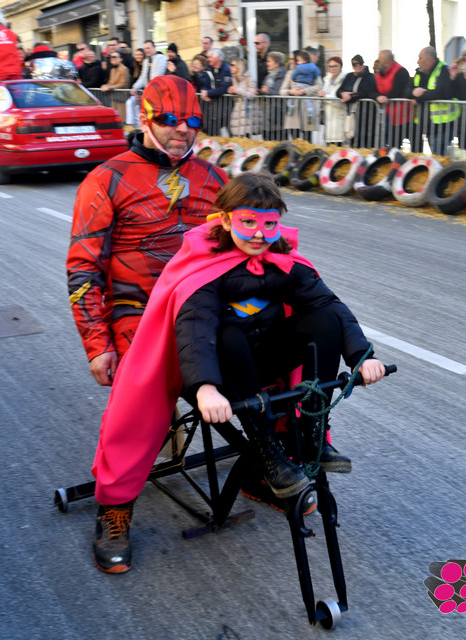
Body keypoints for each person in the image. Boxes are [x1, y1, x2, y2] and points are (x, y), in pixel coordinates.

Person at [88, 171, 386, 573]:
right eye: (248, 221)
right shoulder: (205, 265)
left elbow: (328, 304)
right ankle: (118, 506)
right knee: (220, 338)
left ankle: (311, 435)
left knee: (324, 319)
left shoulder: (283, 259)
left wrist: (361, 356)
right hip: (214, 368)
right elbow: (196, 328)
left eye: (269, 223)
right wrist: (205, 388)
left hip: (266, 361)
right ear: (226, 220)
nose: (260, 234)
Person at [69, 75, 229, 573]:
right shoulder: (106, 179)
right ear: (145, 118)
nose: (183, 129)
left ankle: (276, 460)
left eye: (193, 120)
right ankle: (115, 506)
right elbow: (83, 268)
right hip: (136, 313)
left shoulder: (216, 179)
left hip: (205, 308)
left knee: (285, 343)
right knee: (142, 393)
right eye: (171, 119)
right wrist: (97, 342)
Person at [409, 47, 458, 155]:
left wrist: (418, 96)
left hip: (441, 125)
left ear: (430, 60)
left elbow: (439, 93)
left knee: (439, 157)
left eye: (420, 58)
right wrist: (414, 92)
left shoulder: (443, 70)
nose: (418, 61)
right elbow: (407, 90)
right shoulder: (419, 72)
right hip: (424, 123)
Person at [374, 49, 412, 147]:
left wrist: (384, 97)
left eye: (379, 61)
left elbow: (397, 91)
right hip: (388, 116)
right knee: (392, 146)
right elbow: (371, 90)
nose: (378, 63)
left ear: (386, 62)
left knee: (413, 146)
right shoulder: (379, 73)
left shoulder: (401, 72)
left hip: (404, 117)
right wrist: (377, 97)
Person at [338, 55, 377, 148]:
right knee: (351, 136)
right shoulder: (349, 76)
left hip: (365, 114)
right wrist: (343, 94)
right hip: (351, 112)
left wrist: (350, 97)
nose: (357, 66)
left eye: (359, 63)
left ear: (363, 64)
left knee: (364, 140)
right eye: (354, 64)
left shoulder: (369, 77)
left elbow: (365, 92)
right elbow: (339, 90)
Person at [281, 50, 320, 142]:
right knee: (295, 140)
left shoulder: (312, 70)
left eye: (292, 59)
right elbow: (282, 91)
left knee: (307, 140)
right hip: (293, 110)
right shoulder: (290, 73)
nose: (290, 61)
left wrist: (304, 90)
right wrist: (291, 91)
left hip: (307, 109)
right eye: (290, 59)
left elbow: (319, 86)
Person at [201, 48, 233, 136]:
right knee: (213, 132)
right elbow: (205, 82)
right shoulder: (209, 69)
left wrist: (208, 93)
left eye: (210, 57)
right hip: (213, 107)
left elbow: (225, 88)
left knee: (230, 132)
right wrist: (204, 91)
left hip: (226, 108)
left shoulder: (227, 69)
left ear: (217, 57)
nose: (208, 59)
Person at [227, 58, 260, 137]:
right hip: (239, 112)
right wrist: (233, 92)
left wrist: (237, 90)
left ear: (239, 67)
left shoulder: (249, 79)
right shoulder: (235, 79)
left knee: (245, 136)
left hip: (248, 113)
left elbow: (251, 95)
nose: (230, 67)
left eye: (233, 65)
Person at [320, 56, 347, 146]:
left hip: (339, 118)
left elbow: (340, 99)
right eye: (330, 66)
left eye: (335, 66)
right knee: (329, 146)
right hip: (328, 118)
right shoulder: (327, 79)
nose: (333, 68)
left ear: (341, 66)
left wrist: (325, 96)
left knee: (338, 145)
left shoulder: (344, 79)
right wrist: (320, 96)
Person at [259, 51, 287, 140]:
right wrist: (259, 91)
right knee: (266, 139)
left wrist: (269, 91)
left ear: (277, 64)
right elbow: (265, 90)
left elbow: (281, 93)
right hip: (267, 113)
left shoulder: (283, 76)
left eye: (269, 61)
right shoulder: (269, 76)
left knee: (278, 141)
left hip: (278, 114)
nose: (267, 63)